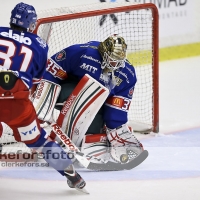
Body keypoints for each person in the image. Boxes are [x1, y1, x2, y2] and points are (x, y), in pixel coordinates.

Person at [0, 2, 87, 192]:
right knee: (40, 142)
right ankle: (73, 175)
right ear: (31, 24)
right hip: (17, 100)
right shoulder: (40, 46)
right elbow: (36, 81)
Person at [33, 34, 144, 165]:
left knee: (96, 121)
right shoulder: (82, 53)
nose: (115, 65)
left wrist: (115, 130)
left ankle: (68, 145)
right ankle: (59, 144)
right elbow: (51, 71)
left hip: (95, 102)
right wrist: (43, 99)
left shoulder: (128, 75)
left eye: (119, 61)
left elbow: (116, 109)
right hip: (66, 93)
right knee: (86, 101)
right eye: (112, 60)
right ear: (103, 52)